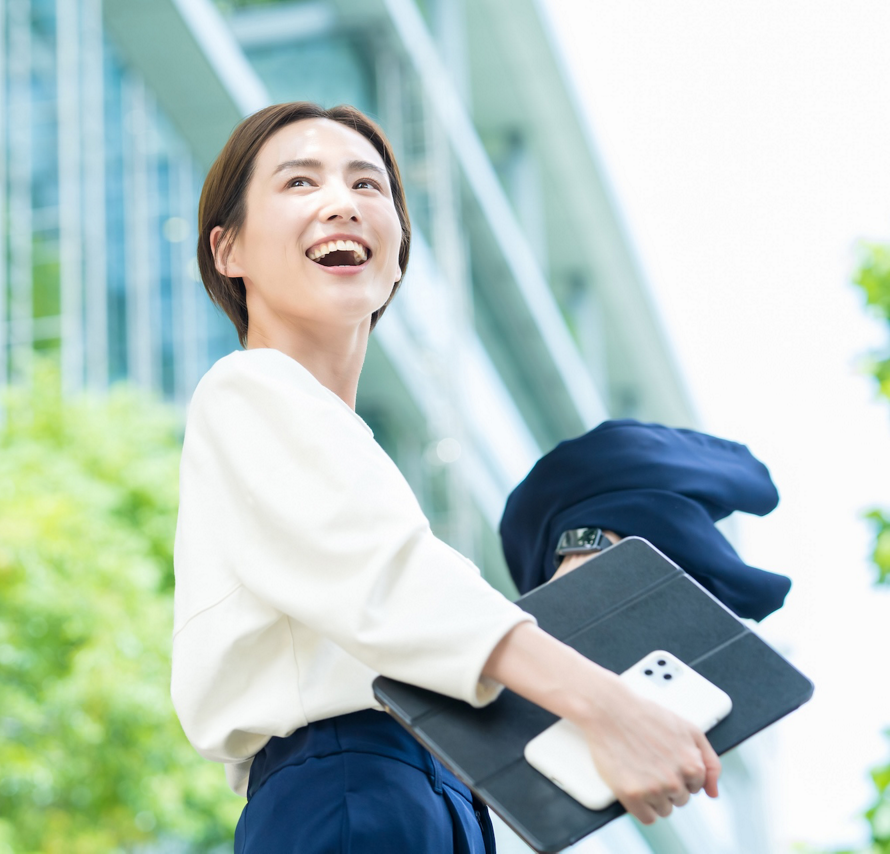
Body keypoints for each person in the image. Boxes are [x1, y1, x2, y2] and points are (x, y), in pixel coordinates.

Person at [170, 102, 721, 854]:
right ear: (227, 249)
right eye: (299, 182)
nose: (343, 202)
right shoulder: (249, 389)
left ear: (398, 255)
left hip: (430, 797)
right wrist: (609, 707)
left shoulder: (339, 454)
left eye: (368, 185)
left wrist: (586, 561)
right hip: (351, 793)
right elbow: (392, 584)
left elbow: (419, 630)